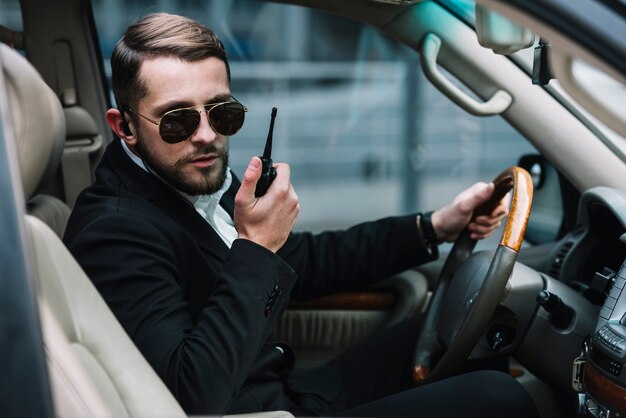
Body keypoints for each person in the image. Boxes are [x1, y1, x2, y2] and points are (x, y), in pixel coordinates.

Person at [63, 12, 538, 418]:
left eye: (221, 113)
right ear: (123, 126)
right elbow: (193, 395)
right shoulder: (114, 234)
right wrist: (255, 247)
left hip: (291, 391)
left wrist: (434, 226)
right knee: (497, 398)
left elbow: (307, 260)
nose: (206, 136)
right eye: (178, 120)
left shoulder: (191, 179)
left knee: (467, 333)